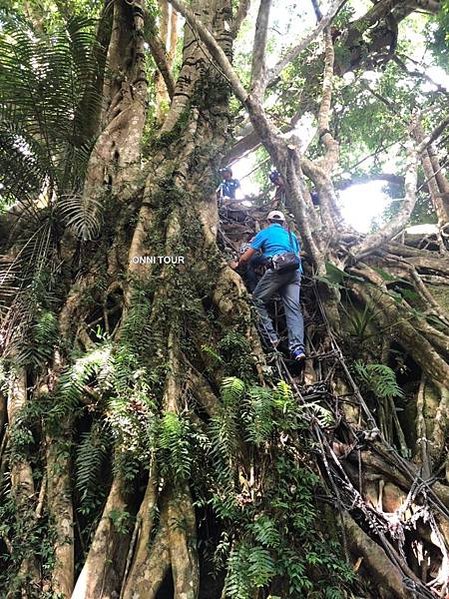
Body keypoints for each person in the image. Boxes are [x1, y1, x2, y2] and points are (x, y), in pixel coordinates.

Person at [230, 210, 305, 361]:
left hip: (278, 270)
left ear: (268, 221)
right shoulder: (292, 236)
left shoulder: (265, 233)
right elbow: (296, 256)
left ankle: (271, 338)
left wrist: (237, 264)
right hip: (295, 273)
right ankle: (297, 349)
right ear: (283, 223)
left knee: (257, 300)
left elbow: (247, 256)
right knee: (293, 309)